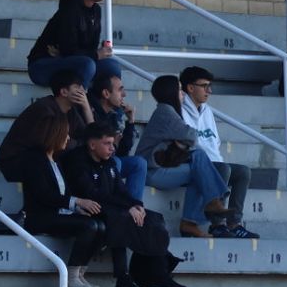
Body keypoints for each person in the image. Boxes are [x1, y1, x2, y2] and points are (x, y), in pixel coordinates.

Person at [62, 122, 185, 287]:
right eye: (107, 143)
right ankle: (122, 278)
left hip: (111, 207)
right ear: (92, 145)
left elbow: (121, 190)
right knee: (122, 219)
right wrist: (128, 208)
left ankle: (159, 276)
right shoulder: (76, 160)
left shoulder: (109, 162)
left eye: (113, 144)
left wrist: (136, 205)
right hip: (86, 208)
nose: (112, 148)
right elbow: (92, 193)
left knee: (153, 219)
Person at [9, 111, 108, 287]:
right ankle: (70, 278)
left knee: (100, 225)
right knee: (89, 226)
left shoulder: (55, 159)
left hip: (58, 213)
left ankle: (80, 274)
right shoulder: (33, 160)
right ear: (54, 133)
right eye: (65, 133)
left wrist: (76, 208)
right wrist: (76, 201)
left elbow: (64, 191)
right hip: (39, 216)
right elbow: (44, 195)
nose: (68, 137)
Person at [134, 74, 231, 238]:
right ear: (170, 92)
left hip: (160, 166)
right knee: (199, 159)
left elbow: (186, 138)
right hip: (151, 172)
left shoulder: (166, 110)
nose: (183, 93)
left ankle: (190, 222)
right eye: (179, 89)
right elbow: (192, 136)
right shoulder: (165, 111)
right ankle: (213, 200)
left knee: (199, 172)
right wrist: (183, 141)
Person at [180, 65, 258, 238]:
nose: (209, 91)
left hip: (214, 161)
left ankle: (234, 223)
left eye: (210, 86)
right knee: (223, 169)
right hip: (193, 162)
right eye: (204, 86)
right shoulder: (179, 109)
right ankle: (217, 224)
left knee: (243, 172)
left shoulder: (207, 111)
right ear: (190, 88)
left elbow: (214, 142)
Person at [27, 0, 123, 89]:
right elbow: (69, 50)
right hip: (41, 66)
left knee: (112, 66)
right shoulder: (69, 10)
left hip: (69, 61)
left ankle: (103, 106)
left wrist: (94, 53)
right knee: (87, 64)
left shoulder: (96, 10)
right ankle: (80, 105)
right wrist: (96, 54)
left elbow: (87, 49)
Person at [0, 68, 91, 181]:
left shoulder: (71, 111)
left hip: (40, 160)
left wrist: (86, 107)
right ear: (64, 92)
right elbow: (52, 144)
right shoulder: (44, 109)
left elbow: (93, 136)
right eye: (78, 87)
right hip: (16, 161)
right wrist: (79, 143)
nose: (83, 92)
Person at [90, 72, 147, 202]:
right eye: (120, 90)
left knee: (139, 163)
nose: (124, 94)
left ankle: (134, 208)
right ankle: (114, 208)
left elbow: (123, 151)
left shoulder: (113, 115)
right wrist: (114, 144)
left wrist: (131, 122)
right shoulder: (91, 112)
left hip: (111, 160)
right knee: (116, 162)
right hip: (93, 165)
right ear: (106, 94)